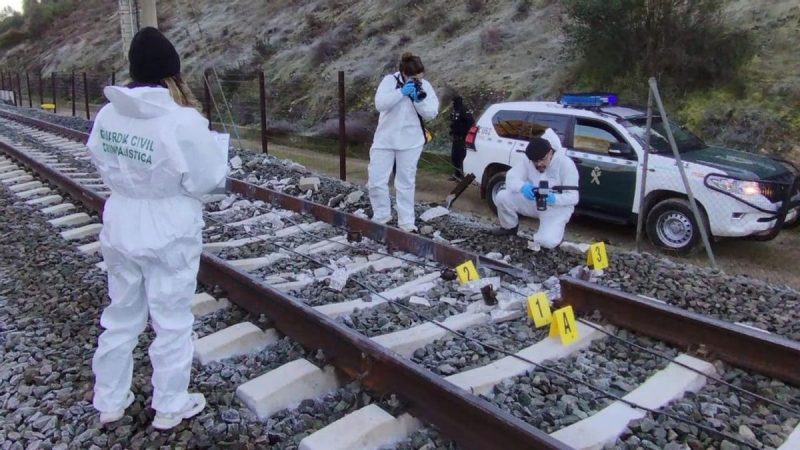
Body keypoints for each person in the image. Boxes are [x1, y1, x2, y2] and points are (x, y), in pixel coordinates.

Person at [86, 27, 228, 430]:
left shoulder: (108, 114)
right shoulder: (183, 121)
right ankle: (169, 406)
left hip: (121, 219)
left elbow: (99, 159)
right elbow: (207, 181)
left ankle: (110, 400)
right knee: (172, 319)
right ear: (172, 73)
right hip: (169, 227)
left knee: (120, 314)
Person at [367, 52, 440, 232]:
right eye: (414, 78)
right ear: (404, 74)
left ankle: (406, 222)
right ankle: (381, 214)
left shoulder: (425, 86)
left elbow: (431, 113)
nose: (418, 81)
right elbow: (380, 104)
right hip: (385, 139)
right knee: (376, 179)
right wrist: (401, 92)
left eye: (420, 77)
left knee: (405, 182)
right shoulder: (389, 81)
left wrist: (417, 100)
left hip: (411, 141)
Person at [490, 129, 579, 249]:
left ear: (550, 153)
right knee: (502, 196)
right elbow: (511, 178)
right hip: (534, 201)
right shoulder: (529, 161)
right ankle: (509, 227)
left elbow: (573, 197)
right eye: (535, 161)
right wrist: (523, 187)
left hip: (556, 208)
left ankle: (555, 234)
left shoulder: (566, 164)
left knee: (546, 242)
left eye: (542, 160)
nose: (538, 164)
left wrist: (554, 198)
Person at [448, 95, 474, 181]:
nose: (452, 104)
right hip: (455, 138)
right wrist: (452, 130)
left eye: (454, 102)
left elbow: (470, 123)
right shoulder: (455, 111)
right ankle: (456, 174)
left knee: (461, 157)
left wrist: (466, 134)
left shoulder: (464, 110)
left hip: (462, 138)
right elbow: (453, 122)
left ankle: (462, 175)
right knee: (454, 157)